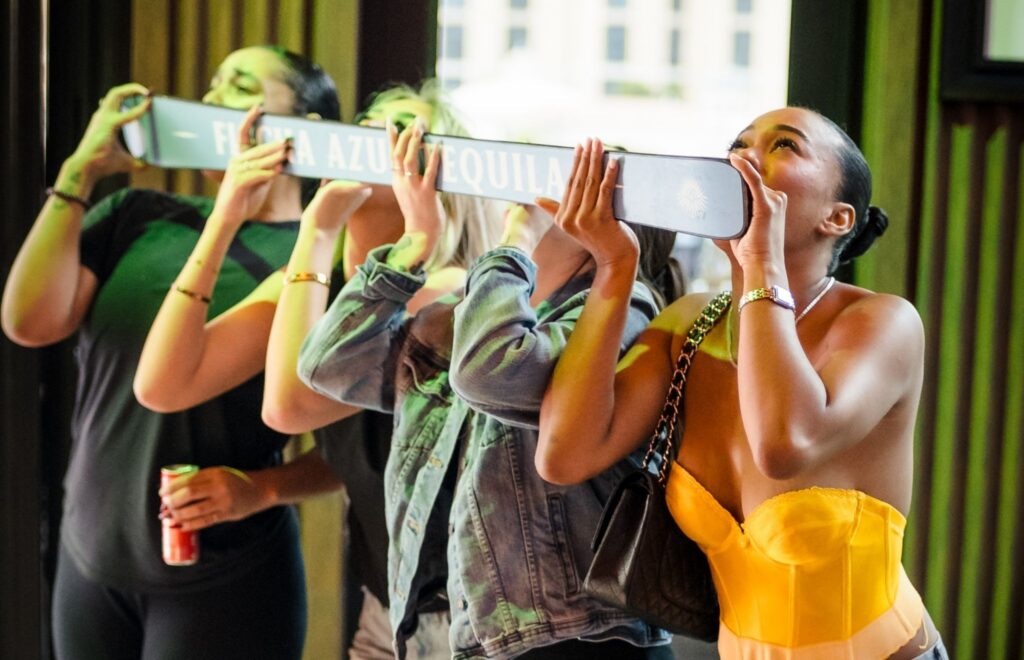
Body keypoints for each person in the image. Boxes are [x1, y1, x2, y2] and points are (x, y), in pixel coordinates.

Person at [536, 108, 946, 659]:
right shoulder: (688, 324)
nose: (744, 157)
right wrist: (614, 263)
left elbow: (782, 443)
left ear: (837, 218)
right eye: (739, 144)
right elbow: (564, 455)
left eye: (784, 146)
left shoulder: (882, 323)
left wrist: (761, 263)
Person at [133, 80, 500, 659]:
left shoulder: (448, 294)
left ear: (435, 181)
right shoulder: (316, 285)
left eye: (401, 132)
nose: (371, 138)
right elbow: (161, 384)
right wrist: (226, 218)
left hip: (468, 618)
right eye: (366, 124)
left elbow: (289, 405)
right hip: (387, 608)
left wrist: (318, 229)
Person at [1, 45, 341, 660]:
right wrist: (79, 172)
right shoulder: (140, 213)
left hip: (226, 577)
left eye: (239, 86)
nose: (210, 101)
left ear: (303, 129)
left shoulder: (313, 260)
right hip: (90, 558)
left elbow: (358, 449)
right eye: (211, 86)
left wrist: (263, 489)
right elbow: (30, 322)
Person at [297, 133, 679, 658]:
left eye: (555, 191)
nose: (519, 202)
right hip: (477, 632)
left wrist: (517, 240)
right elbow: (328, 365)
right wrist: (414, 244)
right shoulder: (475, 311)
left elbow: (489, 374)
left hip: (578, 638)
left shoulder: (622, 311)